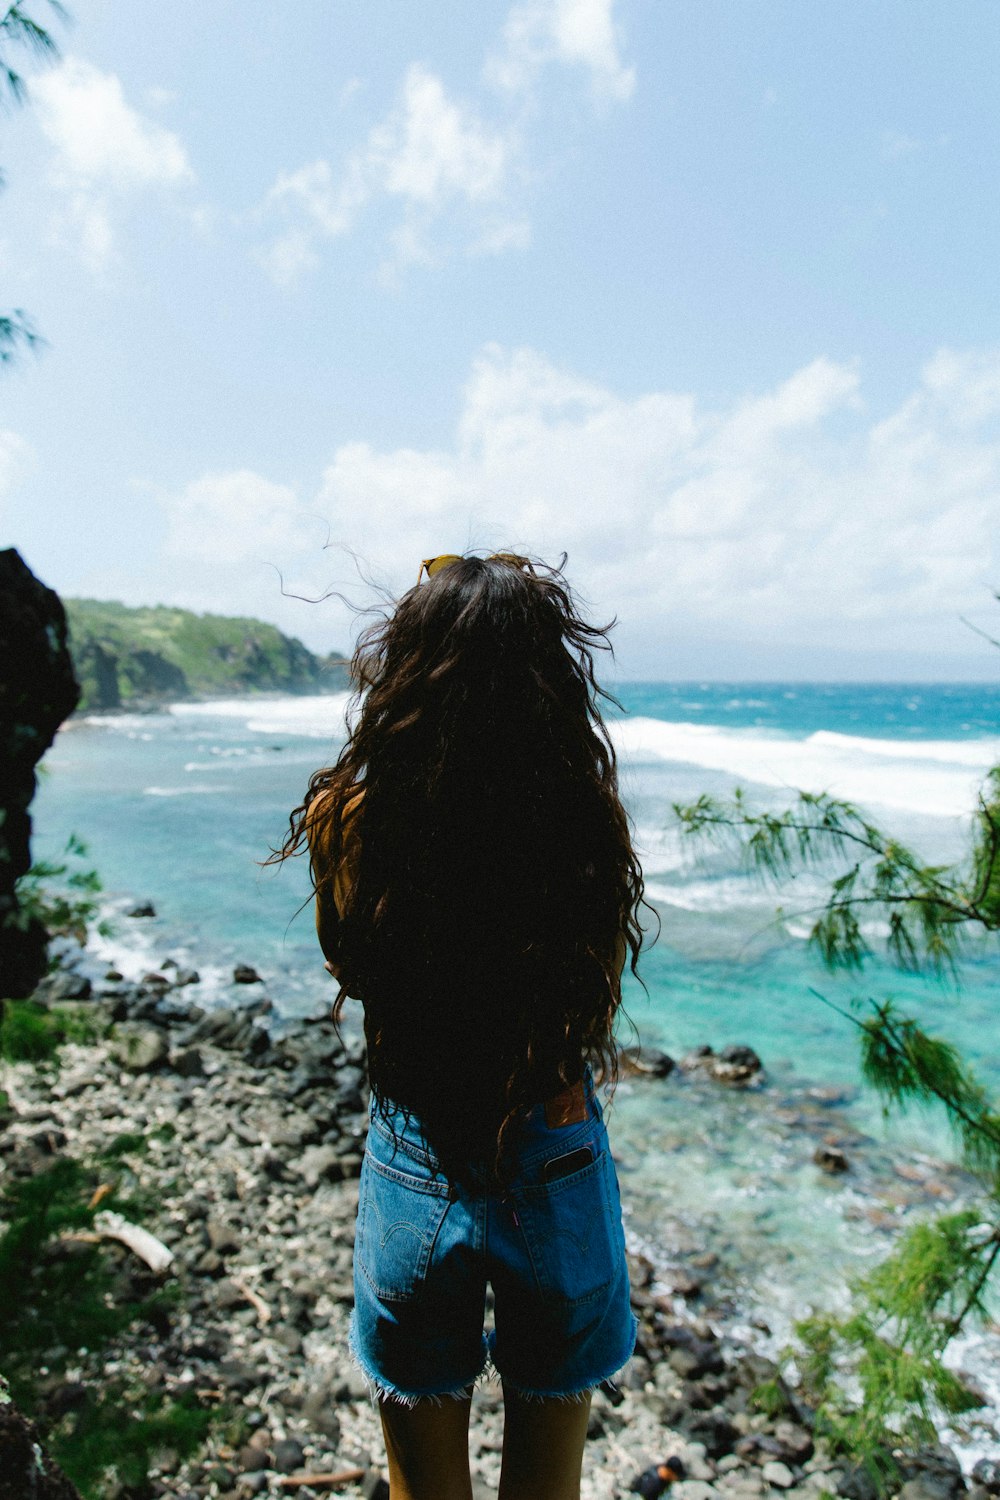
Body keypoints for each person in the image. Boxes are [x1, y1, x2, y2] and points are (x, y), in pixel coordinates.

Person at [279, 552, 646, 1500]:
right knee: (548, 1480)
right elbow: (592, 990)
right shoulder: (579, 816)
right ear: (549, 673)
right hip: (552, 1141)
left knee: (423, 1485)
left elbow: (349, 965)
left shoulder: (352, 816)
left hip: (418, 1148)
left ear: (406, 665)